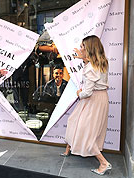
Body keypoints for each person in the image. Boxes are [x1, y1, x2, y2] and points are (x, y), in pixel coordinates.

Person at [61, 35, 111, 175]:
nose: (80, 48)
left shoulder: (90, 68)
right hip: (100, 98)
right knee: (75, 121)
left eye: (82, 46)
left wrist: (78, 93)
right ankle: (68, 149)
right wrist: (83, 59)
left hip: (92, 100)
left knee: (86, 132)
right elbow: (93, 72)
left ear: (89, 49)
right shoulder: (102, 62)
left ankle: (103, 163)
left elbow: (87, 92)